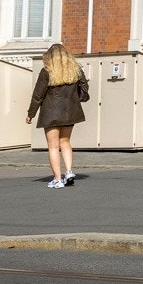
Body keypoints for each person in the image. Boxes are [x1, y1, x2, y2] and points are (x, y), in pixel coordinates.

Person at [26, 43, 88, 188]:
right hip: (69, 113)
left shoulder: (47, 71)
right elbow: (84, 88)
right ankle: (69, 171)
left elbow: (38, 95)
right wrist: (75, 99)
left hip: (51, 114)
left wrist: (31, 113)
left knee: (53, 147)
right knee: (65, 142)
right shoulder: (75, 69)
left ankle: (58, 179)